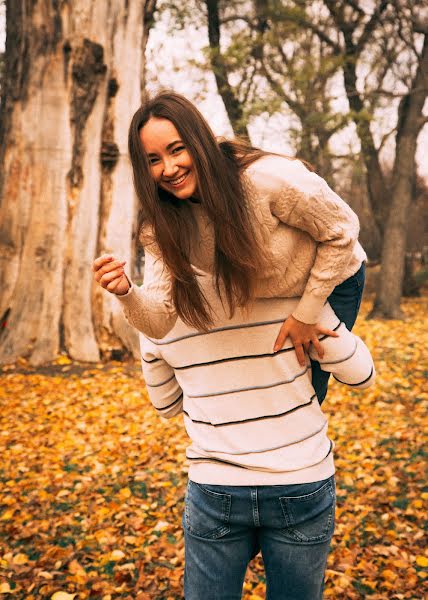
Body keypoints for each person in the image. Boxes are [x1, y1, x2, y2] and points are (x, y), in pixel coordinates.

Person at [92, 90, 367, 405]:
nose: (168, 169)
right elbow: (161, 320)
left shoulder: (266, 179)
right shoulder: (161, 227)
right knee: (267, 390)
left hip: (334, 279)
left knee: (302, 390)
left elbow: (341, 230)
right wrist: (127, 291)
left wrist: (306, 313)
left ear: (198, 142)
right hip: (271, 288)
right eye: (153, 160)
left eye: (177, 150)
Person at [138, 274, 375, 599]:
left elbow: (165, 404)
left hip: (215, 482)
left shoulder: (160, 314)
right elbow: (362, 374)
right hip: (301, 478)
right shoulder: (296, 299)